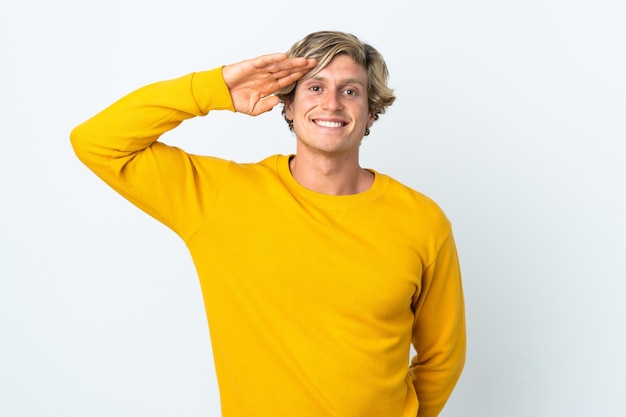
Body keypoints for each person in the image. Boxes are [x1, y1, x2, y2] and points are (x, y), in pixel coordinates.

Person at [71, 30, 466, 417]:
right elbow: (98, 142)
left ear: (371, 112)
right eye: (314, 88)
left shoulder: (422, 220)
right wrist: (216, 87)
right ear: (288, 106)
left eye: (350, 91)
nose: (331, 103)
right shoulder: (220, 197)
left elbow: (442, 356)